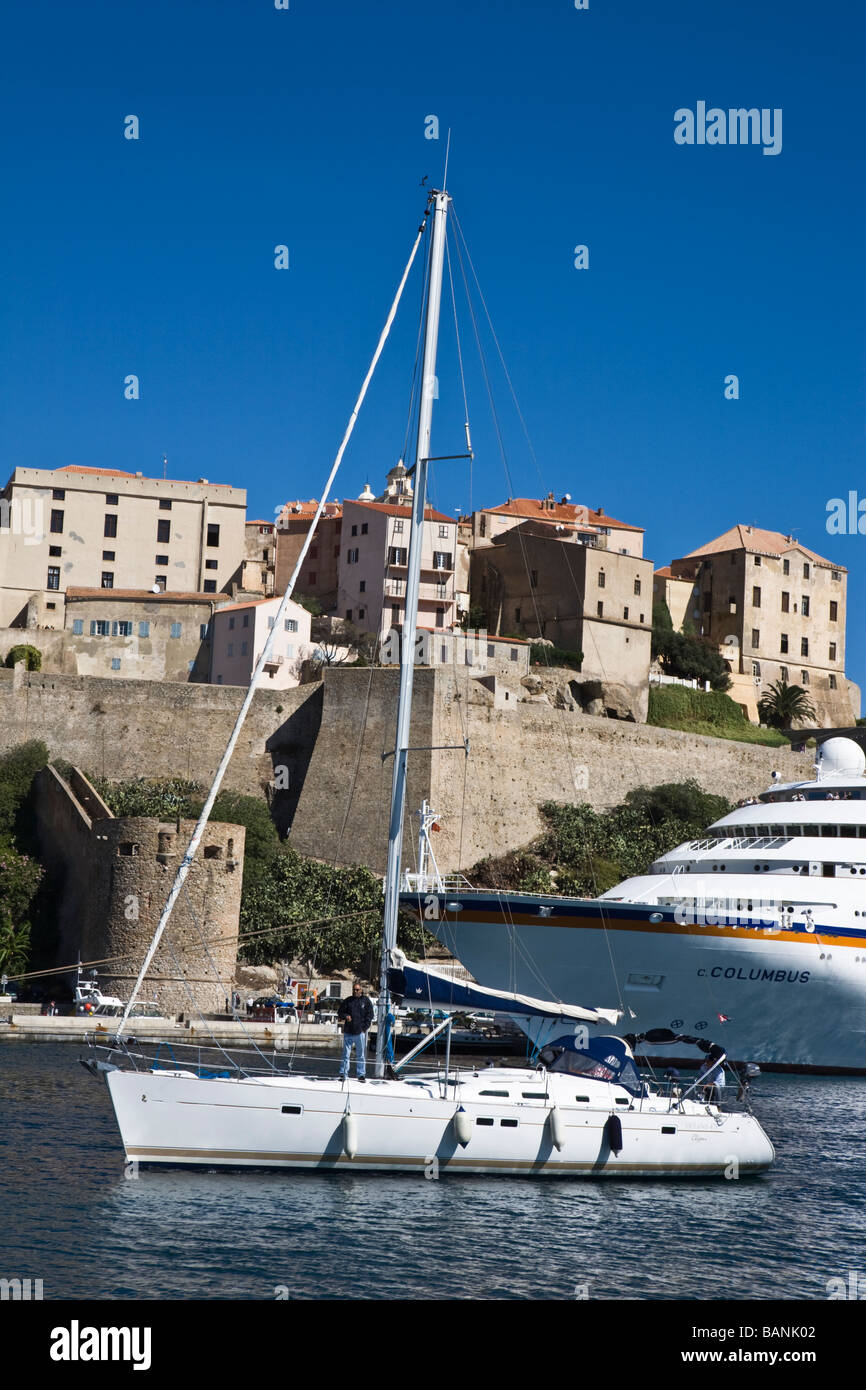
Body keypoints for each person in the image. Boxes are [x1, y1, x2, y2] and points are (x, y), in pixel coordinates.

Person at [337, 983, 374, 1081]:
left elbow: (370, 1015)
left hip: (360, 1032)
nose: (355, 991)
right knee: (346, 1054)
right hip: (348, 1031)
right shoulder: (348, 1000)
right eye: (354, 989)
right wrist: (346, 1016)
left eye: (357, 990)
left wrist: (364, 1028)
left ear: (361, 990)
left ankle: (361, 1075)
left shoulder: (365, 1001)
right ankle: (343, 1074)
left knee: (361, 1055)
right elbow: (340, 1012)